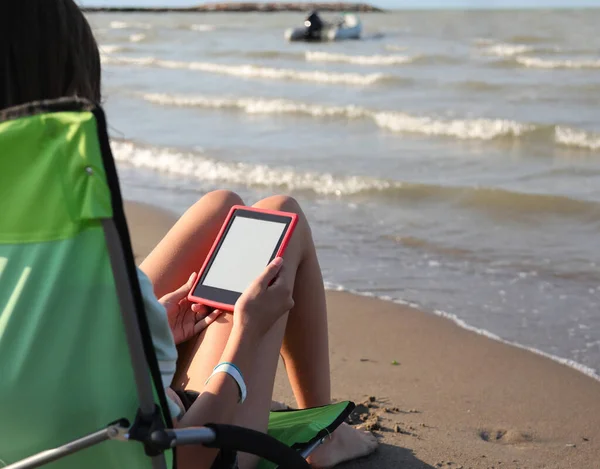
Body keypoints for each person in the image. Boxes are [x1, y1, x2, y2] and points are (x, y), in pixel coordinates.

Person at [1, 1, 378, 469]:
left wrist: (147, 324)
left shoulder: (32, 251)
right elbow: (193, 455)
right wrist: (247, 334)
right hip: (165, 451)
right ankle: (323, 432)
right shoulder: (95, 271)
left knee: (221, 205)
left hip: (39, 419)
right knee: (281, 215)